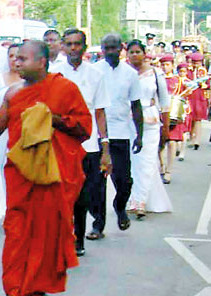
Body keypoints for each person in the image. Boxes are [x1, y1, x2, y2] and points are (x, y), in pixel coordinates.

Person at [0, 40, 91, 296]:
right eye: (15, 58)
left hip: (51, 175)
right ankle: (13, 293)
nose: (17, 63)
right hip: (20, 174)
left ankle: (40, 289)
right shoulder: (12, 94)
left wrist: (54, 119)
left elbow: (84, 128)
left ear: (42, 62)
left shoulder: (64, 89)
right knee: (16, 231)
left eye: (23, 59)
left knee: (47, 232)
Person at [51, 29, 110, 255]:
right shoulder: (54, 74)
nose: (73, 48)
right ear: (63, 47)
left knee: (82, 196)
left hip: (88, 146)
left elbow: (100, 112)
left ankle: (78, 240)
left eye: (77, 44)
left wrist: (105, 147)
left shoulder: (96, 75)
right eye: (69, 44)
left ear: (84, 47)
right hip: (60, 144)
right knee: (59, 194)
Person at [94, 33, 144, 232]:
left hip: (122, 133)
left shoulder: (130, 74)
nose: (111, 52)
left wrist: (140, 135)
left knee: (124, 181)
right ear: (102, 49)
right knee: (98, 184)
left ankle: (120, 206)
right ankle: (98, 225)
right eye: (107, 48)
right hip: (98, 134)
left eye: (115, 48)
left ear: (121, 49)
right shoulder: (95, 71)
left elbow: (136, 105)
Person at [125, 41, 173, 218]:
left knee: (146, 161)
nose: (135, 55)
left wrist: (166, 127)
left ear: (144, 54)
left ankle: (140, 202)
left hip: (151, 121)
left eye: (138, 52)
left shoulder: (155, 73)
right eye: (131, 52)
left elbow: (165, 102)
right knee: (133, 162)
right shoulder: (125, 73)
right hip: (129, 122)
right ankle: (134, 197)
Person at [0, 43, 25, 222]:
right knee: (6, 170)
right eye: (11, 56)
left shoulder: (29, 80)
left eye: (19, 56)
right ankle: (11, 210)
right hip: (3, 132)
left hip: (25, 132)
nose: (15, 60)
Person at [160, 55, 186, 184]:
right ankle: (161, 167)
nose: (165, 67)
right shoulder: (157, 79)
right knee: (160, 144)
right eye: (163, 65)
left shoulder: (178, 80)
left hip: (173, 114)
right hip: (160, 114)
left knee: (172, 142)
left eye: (168, 64)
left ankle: (169, 170)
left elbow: (184, 96)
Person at [184, 52, 210, 151]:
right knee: (190, 118)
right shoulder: (188, 71)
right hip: (190, 97)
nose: (196, 64)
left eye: (198, 62)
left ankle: (197, 141)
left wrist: (204, 85)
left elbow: (208, 84)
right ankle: (191, 137)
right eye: (195, 62)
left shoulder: (203, 72)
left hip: (200, 97)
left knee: (198, 119)